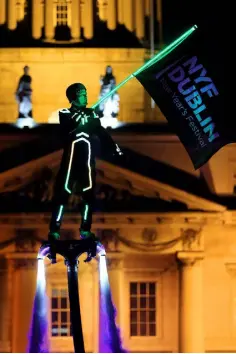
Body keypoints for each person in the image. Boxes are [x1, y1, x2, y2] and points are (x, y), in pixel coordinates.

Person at [48, 83, 123, 245]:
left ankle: (85, 229)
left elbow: (100, 132)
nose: (85, 96)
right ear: (73, 97)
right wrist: (84, 121)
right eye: (82, 93)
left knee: (88, 197)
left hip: (86, 160)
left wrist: (113, 147)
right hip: (70, 160)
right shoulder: (65, 113)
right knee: (62, 195)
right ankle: (54, 229)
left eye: (85, 93)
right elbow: (67, 130)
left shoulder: (91, 114)